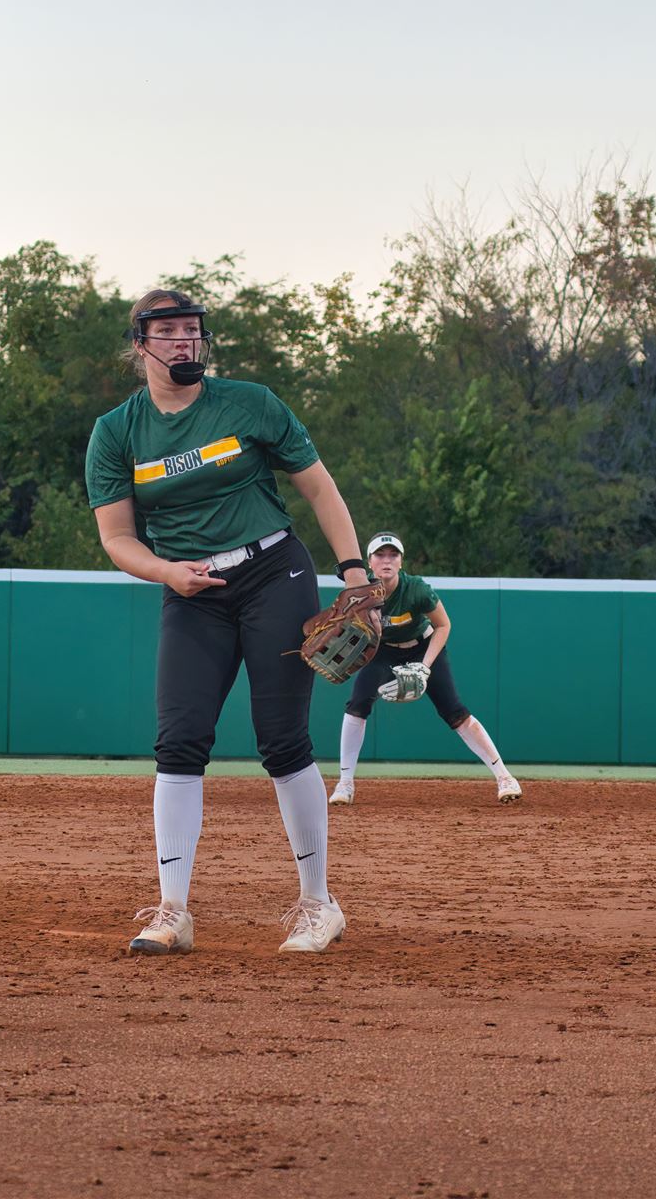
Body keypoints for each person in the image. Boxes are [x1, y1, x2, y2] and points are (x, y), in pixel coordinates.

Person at [86, 289, 371, 955]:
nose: (185, 341)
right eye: (169, 332)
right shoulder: (119, 430)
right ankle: (172, 912)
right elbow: (116, 537)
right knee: (179, 740)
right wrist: (165, 572)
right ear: (141, 344)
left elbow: (319, 487)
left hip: (274, 573)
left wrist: (354, 573)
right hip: (192, 590)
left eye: (193, 330)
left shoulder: (249, 403)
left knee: (280, 738)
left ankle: (317, 904)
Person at [328, 532, 524, 806]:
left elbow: (444, 625)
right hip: (383, 651)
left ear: (401, 561)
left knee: (454, 712)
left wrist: (423, 667)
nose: (387, 560)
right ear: (369, 562)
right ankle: (345, 783)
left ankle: (505, 777)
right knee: (357, 705)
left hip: (423, 647)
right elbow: (353, 630)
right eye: (380, 555)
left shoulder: (416, 588)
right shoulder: (363, 592)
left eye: (393, 555)